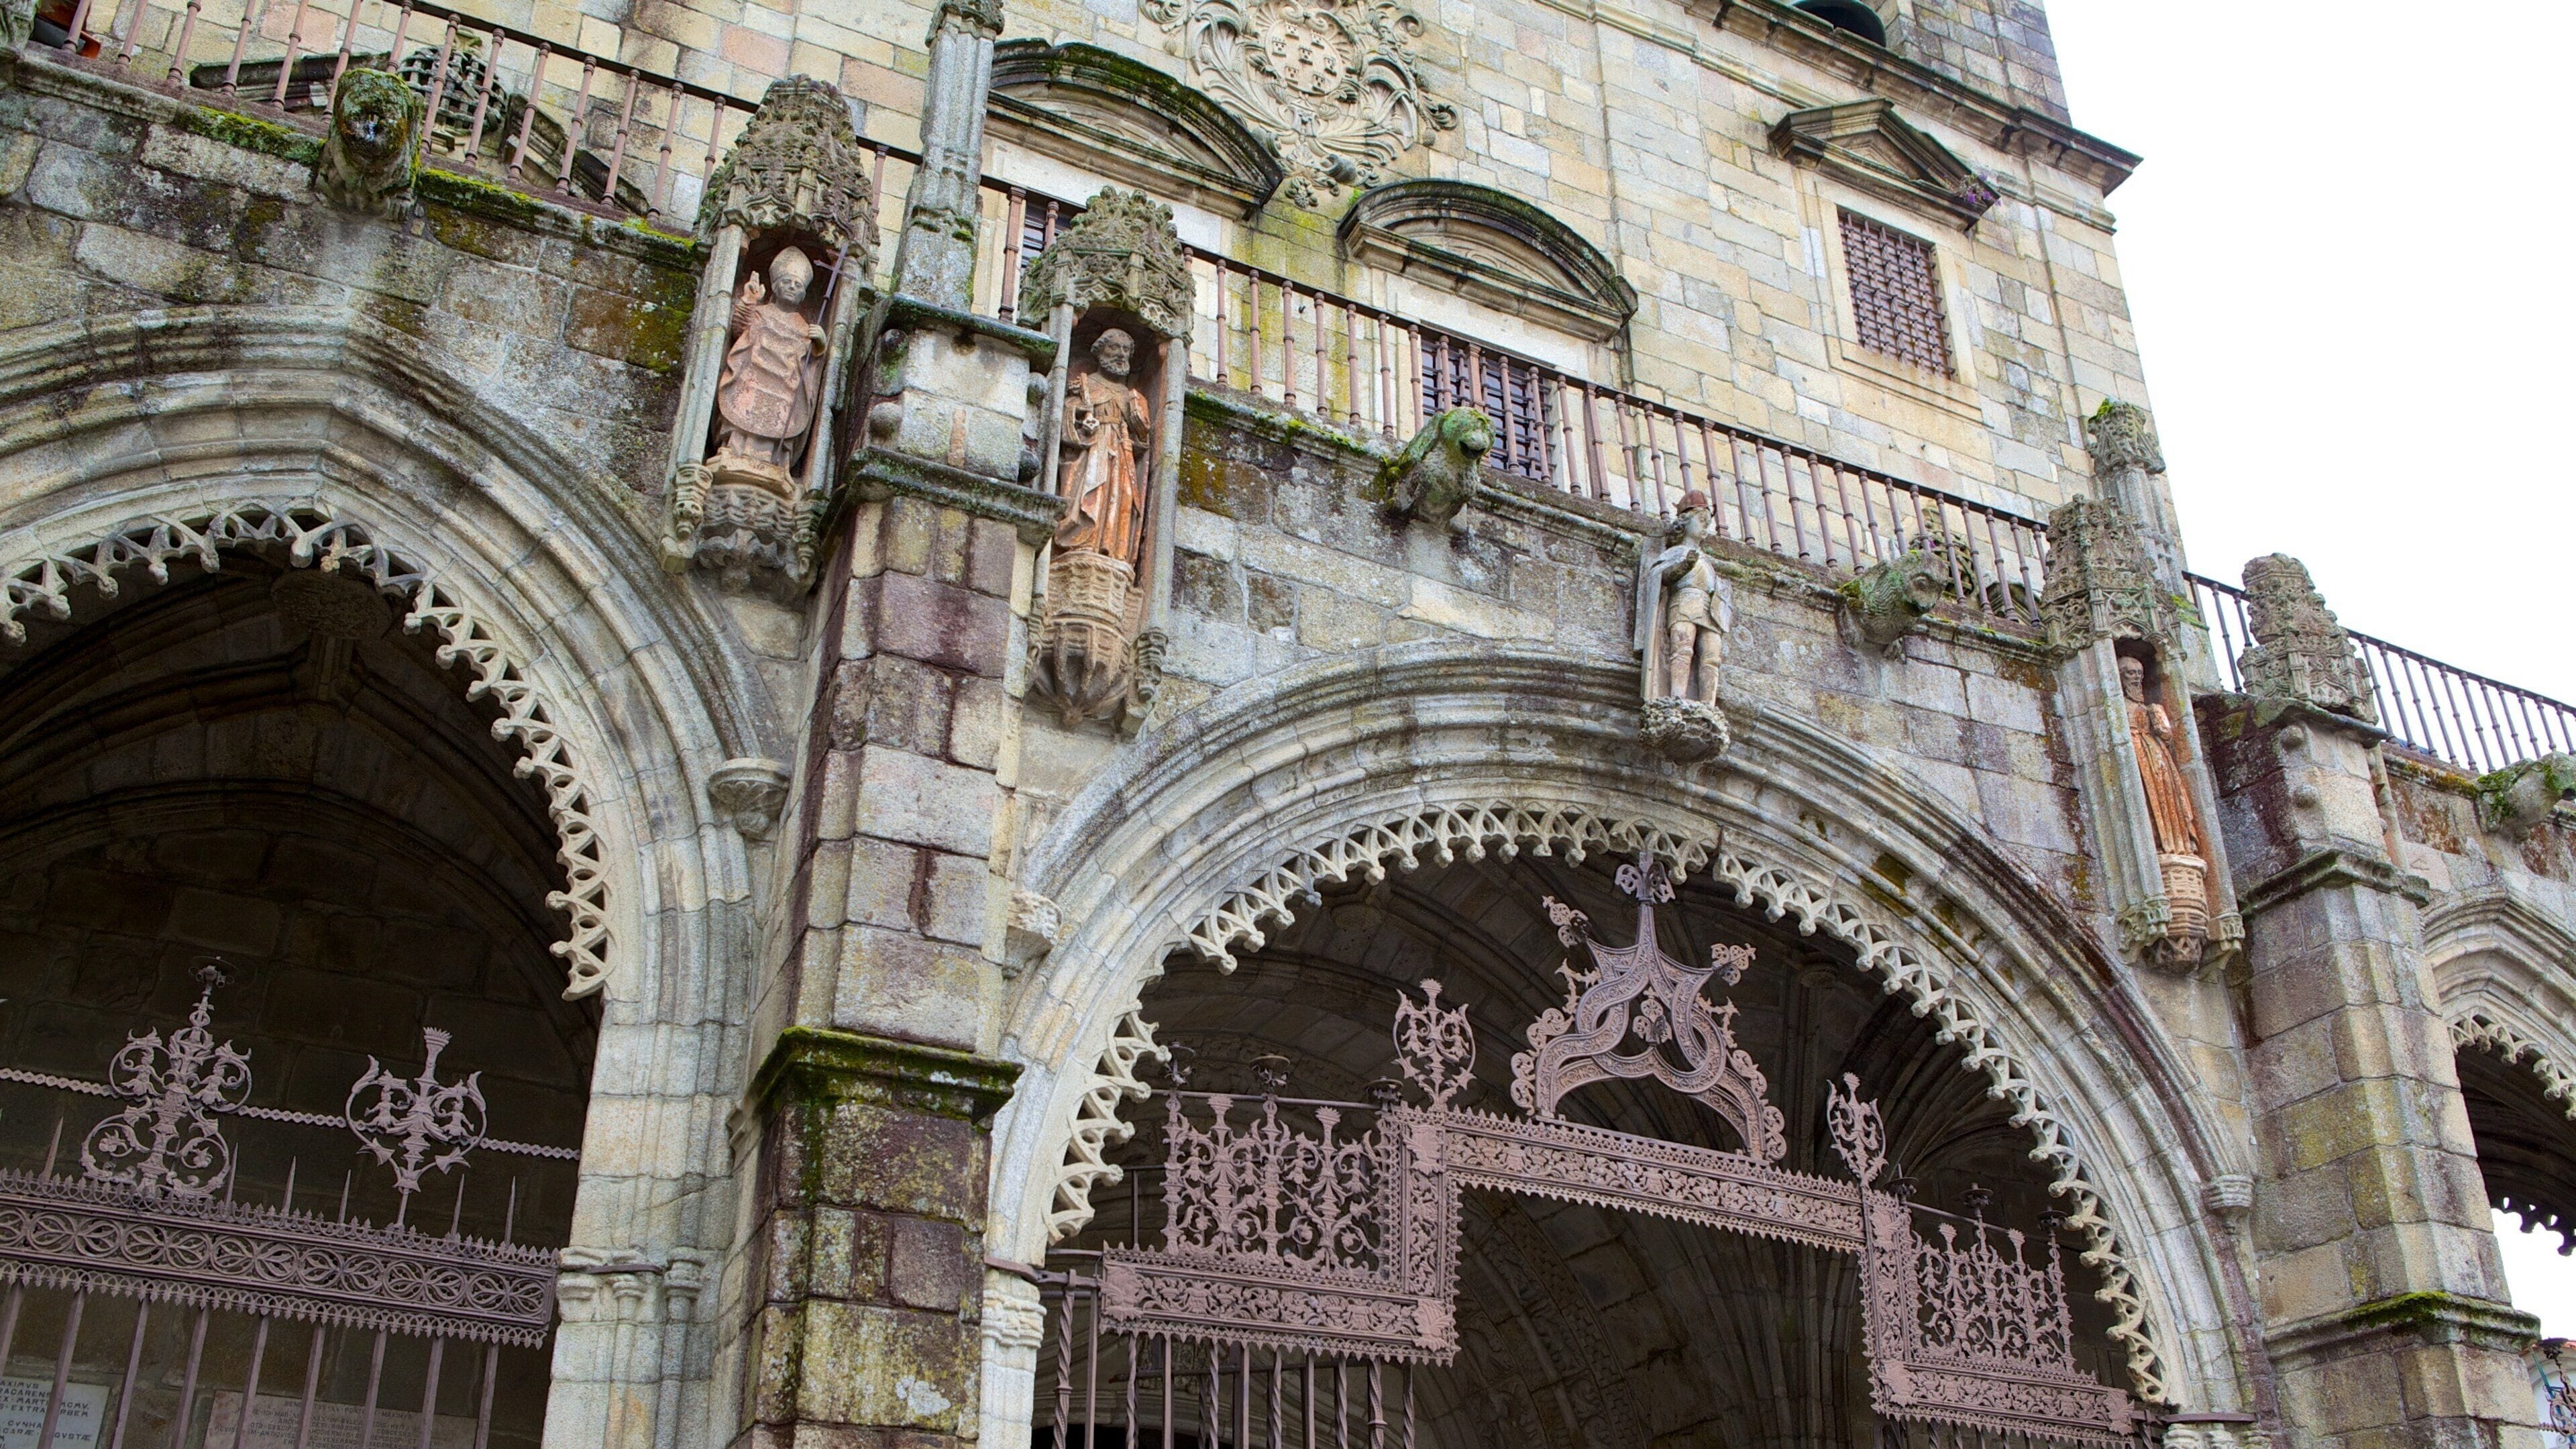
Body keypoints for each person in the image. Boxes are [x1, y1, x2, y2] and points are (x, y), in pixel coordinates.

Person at [712, 246, 828, 482]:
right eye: (787, 282)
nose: (792, 287)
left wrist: (820, 346)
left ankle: (776, 463)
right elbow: (739, 329)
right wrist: (749, 301)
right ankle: (735, 451)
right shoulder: (761, 313)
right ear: (775, 286)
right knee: (744, 409)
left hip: (784, 389)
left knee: (782, 419)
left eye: (798, 285)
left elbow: (810, 365)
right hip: (752, 380)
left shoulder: (804, 327)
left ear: (803, 295)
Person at [1055, 329, 1152, 567]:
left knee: (1120, 499)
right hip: (1093, 451)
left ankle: (1115, 550)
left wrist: (1140, 426)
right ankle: (1083, 544)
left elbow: (1142, 444)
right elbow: (1066, 419)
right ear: (1100, 352)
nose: (1121, 354)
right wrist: (1079, 415)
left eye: (1126, 350)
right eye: (1114, 348)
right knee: (1091, 492)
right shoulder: (1086, 384)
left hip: (1121, 454)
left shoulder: (1130, 395)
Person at [1635, 492, 1731, 704]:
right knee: (1682, 649)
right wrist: (1683, 566)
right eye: (1702, 521)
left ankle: (1708, 705)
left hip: (1709, 610)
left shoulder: (1705, 560)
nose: (1705, 527)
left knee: (1712, 658)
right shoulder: (1676, 553)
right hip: (1684, 603)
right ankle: (1678, 696)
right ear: (1685, 523)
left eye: (1708, 522)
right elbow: (1662, 576)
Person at [2121, 653, 2201, 857]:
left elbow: (2166, 734)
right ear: (2121, 677)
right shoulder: (2119, 705)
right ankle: (2157, 842)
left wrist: (2157, 719)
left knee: (2166, 796)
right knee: (2147, 797)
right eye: (2131, 673)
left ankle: (2177, 842)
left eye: (2140, 673)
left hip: (2156, 754)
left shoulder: (2149, 708)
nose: (2137, 678)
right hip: (2135, 751)